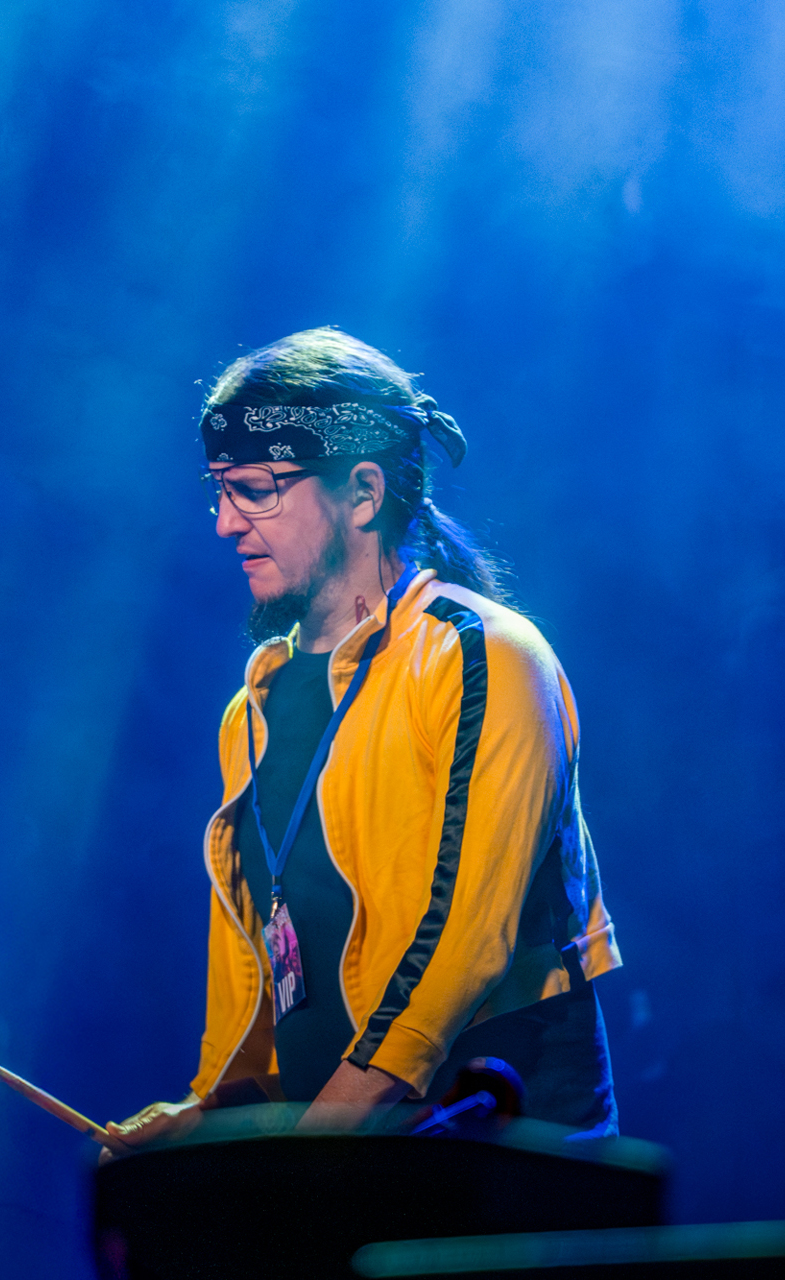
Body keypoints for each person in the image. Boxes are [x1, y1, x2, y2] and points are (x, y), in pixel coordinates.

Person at [108, 328, 621, 1152]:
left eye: (256, 491)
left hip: (497, 1138)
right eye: (220, 492)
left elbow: (467, 941)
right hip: (347, 1145)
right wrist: (209, 1115)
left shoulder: (483, 656)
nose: (226, 524)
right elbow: (268, 969)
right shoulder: (252, 711)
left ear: (362, 492)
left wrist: (319, 1143)